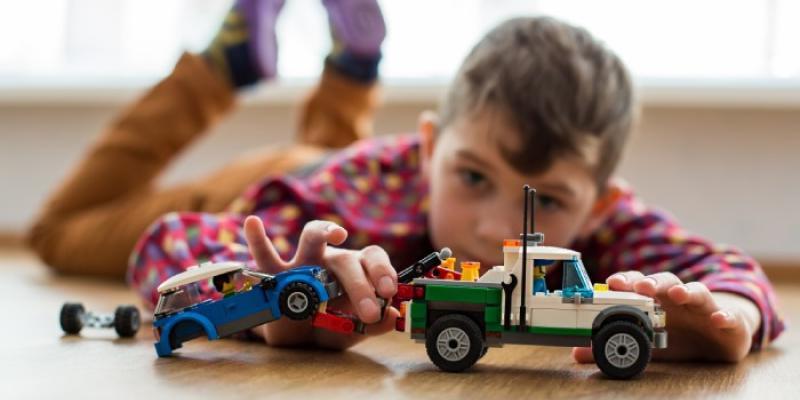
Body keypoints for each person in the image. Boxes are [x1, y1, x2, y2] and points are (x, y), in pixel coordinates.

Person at [28, 1, 783, 361]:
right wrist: (264, 305)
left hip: (339, 171)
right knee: (60, 229)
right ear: (430, 149)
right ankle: (220, 66)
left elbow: (726, 271)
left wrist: (730, 318)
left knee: (330, 156)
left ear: (601, 201)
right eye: (473, 176)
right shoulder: (352, 194)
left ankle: (351, 71)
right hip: (276, 189)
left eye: (545, 199)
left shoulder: (605, 225)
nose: (496, 226)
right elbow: (172, 240)